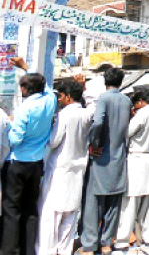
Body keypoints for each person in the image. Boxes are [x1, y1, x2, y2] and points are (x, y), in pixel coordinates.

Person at [2, 66, 57, 255]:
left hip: (18, 162)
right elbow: (47, 86)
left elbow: (15, 139)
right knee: (30, 207)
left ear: (26, 89)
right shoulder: (50, 100)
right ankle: (28, 248)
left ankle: (9, 249)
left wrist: (8, 127)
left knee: (11, 208)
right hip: (37, 162)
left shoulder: (25, 108)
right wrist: (26, 67)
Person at [38, 78, 94, 255]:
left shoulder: (64, 115)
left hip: (60, 168)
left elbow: (53, 142)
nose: (59, 100)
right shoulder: (86, 114)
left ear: (68, 97)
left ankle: (47, 251)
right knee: (70, 214)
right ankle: (64, 250)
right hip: (77, 168)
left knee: (50, 215)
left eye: (60, 96)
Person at [80, 67, 131, 255]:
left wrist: (94, 142)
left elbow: (99, 121)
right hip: (119, 157)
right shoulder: (126, 101)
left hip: (102, 157)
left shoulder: (104, 98)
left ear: (105, 81)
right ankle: (107, 243)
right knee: (113, 205)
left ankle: (89, 245)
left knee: (94, 204)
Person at [115, 89, 149, 250]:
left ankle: (122, 240)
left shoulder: (141, 115)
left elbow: (127, 133)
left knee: (130, 202)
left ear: (140, 102)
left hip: (136, 158)